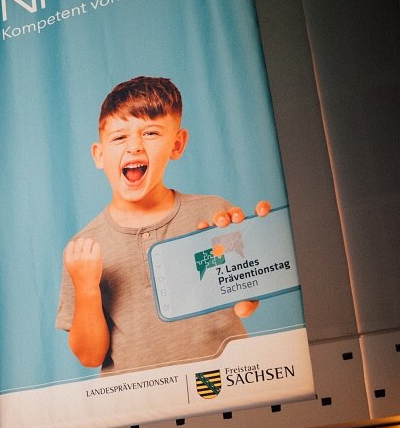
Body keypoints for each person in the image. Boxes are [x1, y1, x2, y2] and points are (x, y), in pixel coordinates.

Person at [57, 76, 264, 374]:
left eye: (151, 133)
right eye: (119, 137)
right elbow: (90, 356)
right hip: (140, 408)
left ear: (177, 144)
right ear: (99, 155)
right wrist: (86, 287)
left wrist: (258, 248)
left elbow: (246, 295)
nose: (134, 147)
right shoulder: (82, 250)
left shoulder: (214, 214)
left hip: (227, 391)